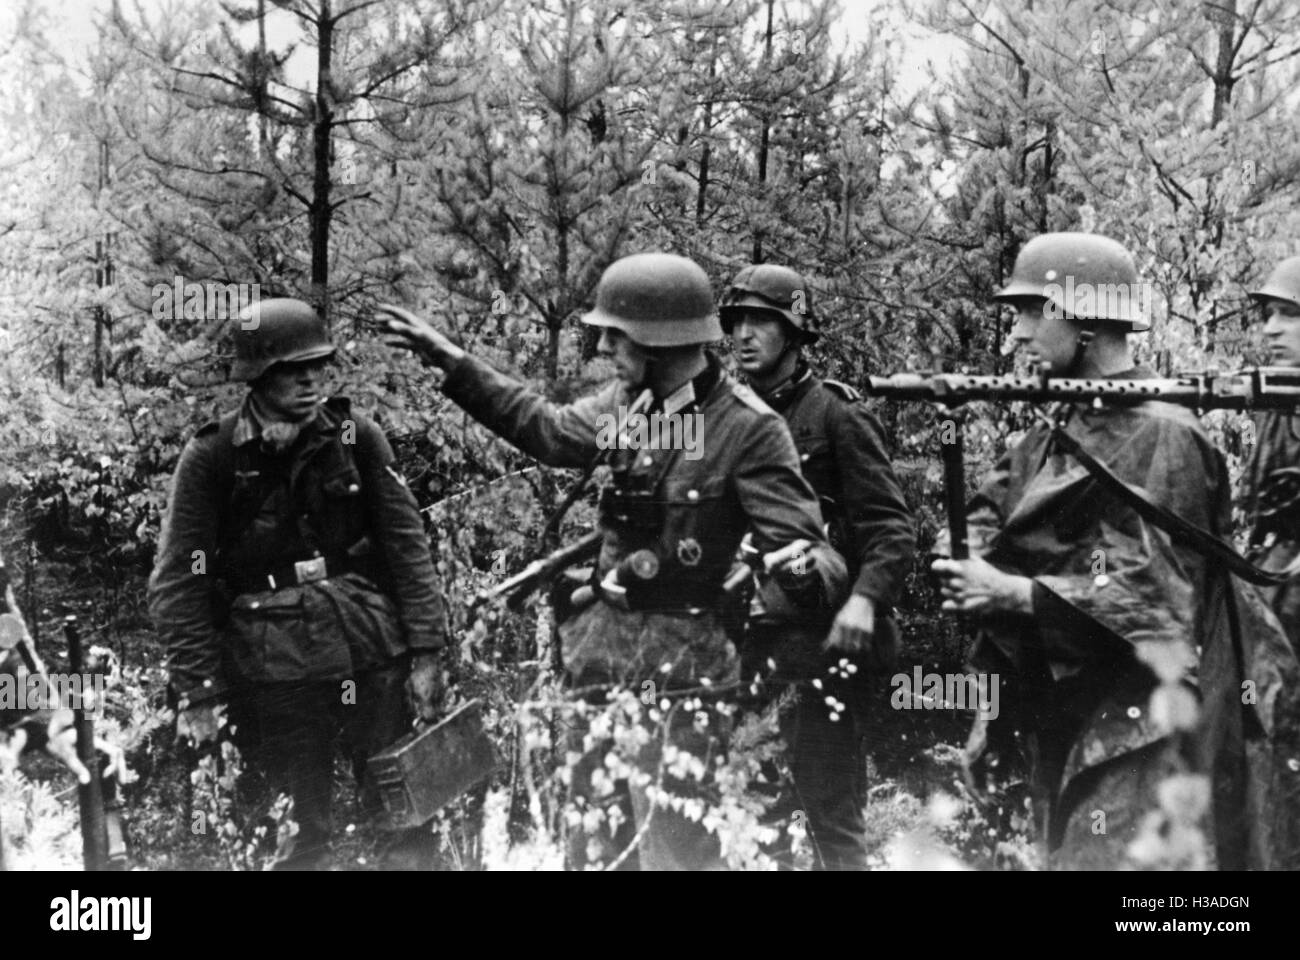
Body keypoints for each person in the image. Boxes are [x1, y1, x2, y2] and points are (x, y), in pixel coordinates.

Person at [379, 252, 848, 870]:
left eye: (615, 332)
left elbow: (802, 546)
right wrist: (455, 365)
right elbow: (546, 431)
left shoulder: (748, 429)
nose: (603, 345)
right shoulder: (628, 408)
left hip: (684, 684)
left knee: (675, 858)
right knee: (594, 853)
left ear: (659, 339)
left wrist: (787, 576)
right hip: (598, 667)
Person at [928, 232, 1277, 869]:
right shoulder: (1060, 422)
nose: (1016, 336)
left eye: (1033, 313)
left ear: (1083, 321)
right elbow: (987, 515)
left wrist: (1015, 593)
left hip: (1146, 727)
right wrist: (962, 562)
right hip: (1069, 712)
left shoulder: (1165, 434)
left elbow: (1158, 599)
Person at [148, 298, 449, 870]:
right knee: (293, 833)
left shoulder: (358, 437)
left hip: (368, 653)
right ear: (258, 375)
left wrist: (427, 653)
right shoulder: (212, 457)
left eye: (319, 365)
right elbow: (179, 582)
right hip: (275, 674)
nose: (311, 379)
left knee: (406, 813)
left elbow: (407, 547)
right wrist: (200, 691)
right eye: (293, 369)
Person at [719, 264, 915, 870]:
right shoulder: (728, 418)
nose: (745, 335)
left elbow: (891, 529)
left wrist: (863, 602)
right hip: (747, 644)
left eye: (762, 321)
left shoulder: (836, 416)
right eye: (738, 321)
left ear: (795, 331)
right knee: (755, 813)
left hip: (819, 644)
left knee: (830, 812)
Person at [1243, 256, 1300, 652]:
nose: (1270, 329)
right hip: (1274, 584)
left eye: (1289, 314)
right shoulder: (1276, 402)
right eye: (1269, 315)